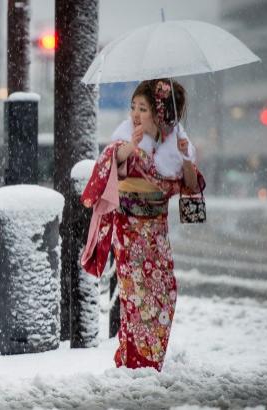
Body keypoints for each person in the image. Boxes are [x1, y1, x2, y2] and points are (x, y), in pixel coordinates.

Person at [80, 79, 204, 371]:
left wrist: (185, 159)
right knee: (137, 295)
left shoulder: (174, 144)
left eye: (143, 108)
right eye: (133, 107)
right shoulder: (126, 137)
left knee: (165, 292)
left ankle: (147, 360)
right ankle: (137, 363)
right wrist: (130, 149)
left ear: (159, 113)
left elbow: (189, 186)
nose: (135, 114)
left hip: (157, 231)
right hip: (131, 229)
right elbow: (109, 161)